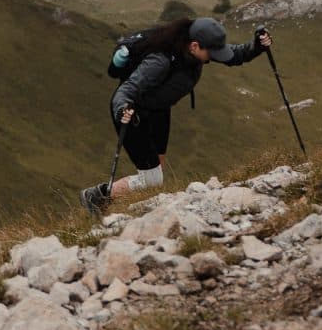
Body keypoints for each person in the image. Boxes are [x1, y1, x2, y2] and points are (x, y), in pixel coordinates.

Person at [79, 16, 271, 213]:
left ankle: (147, 208)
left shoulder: (197, 47)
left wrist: (257, 46)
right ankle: (96, 196)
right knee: (152, 180)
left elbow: (235, 55)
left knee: (157, 172)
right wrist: (122, 110)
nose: (214, 57)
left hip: (159, 111)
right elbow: (126, 91)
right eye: (212, 53)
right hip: (132, 116)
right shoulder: (160, 61)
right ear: (195, 46)